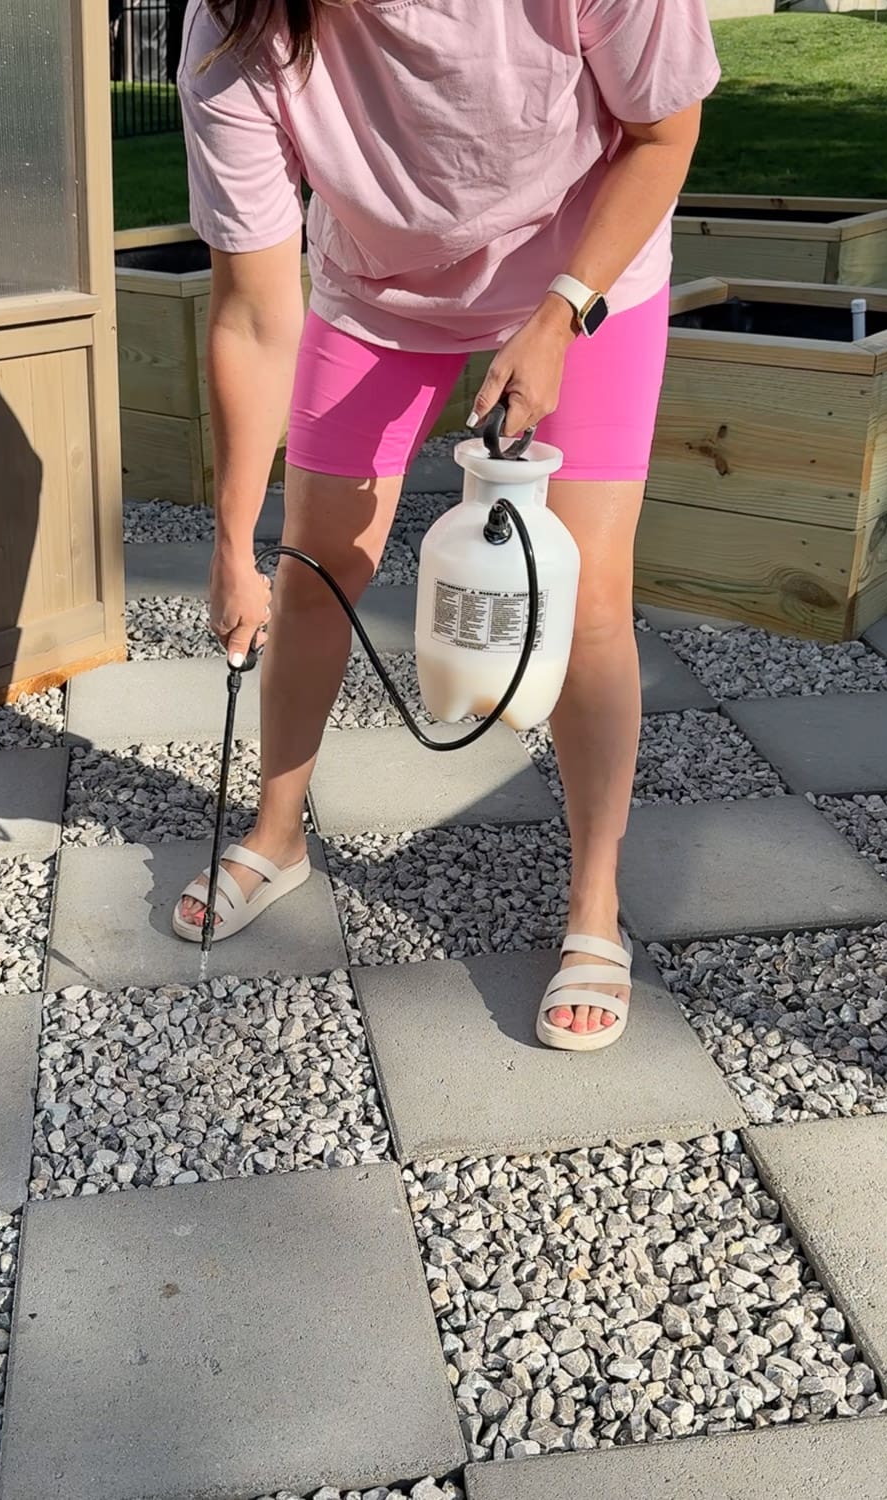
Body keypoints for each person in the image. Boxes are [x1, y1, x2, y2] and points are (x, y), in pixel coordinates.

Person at [172, 0, 720, 1052]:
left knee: (588, 590)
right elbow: (251, 308)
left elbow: (665, 131)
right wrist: (232, 542)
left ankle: (593, 905)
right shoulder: (238, 23)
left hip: (587, 272)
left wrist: (561, 309)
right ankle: (277, 834)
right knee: (315, 564)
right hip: (375, 294)